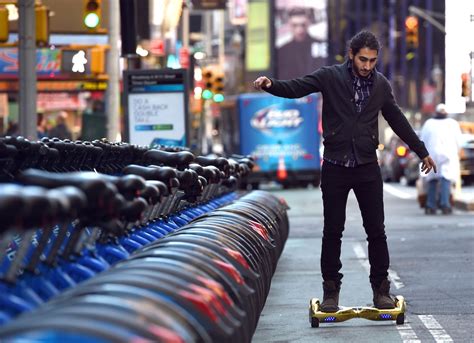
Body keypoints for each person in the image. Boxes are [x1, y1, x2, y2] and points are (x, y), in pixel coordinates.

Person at [253, 30, 436, 312]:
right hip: (336, 166)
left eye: (372, 61)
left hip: (366, 167)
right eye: (363, 59)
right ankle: (330, 293)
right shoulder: (331, 76)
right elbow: (297, 87)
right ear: (351, 55)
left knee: (376, 231)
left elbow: (397, 120)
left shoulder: (381, 86)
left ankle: (381, 291)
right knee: (333, 231)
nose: (367, 66)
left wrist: (421, 150)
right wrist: (270, 84)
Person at [420, 103, 462, 215]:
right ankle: (445, 204)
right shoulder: (452, 124)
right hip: (448, 155)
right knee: (446, 179)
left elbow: (422, 139)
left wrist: (423, 155)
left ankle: (430, 205)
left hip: (432, 154)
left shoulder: (428, 124)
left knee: (432, 179)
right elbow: (459, 142)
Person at [277, 7, 327, 80]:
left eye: (303, 25)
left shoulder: (321, 45)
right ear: (289, 25)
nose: (299, 30)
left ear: (308, 23)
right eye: (295, 25)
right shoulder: (282, 51)